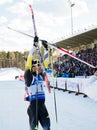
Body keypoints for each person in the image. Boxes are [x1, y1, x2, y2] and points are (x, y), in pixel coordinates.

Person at [24, 37, 51, 130]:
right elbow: (28, 62)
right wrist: (34, 46)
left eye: (39, 66)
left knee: (47, 126)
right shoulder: (29, 76)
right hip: (33, 108)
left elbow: (46, 63)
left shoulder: (40, 75)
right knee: (34, 128)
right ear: (32, 68)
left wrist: (46, 49)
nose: (39, 67)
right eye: (36, 66)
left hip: (42, 106)